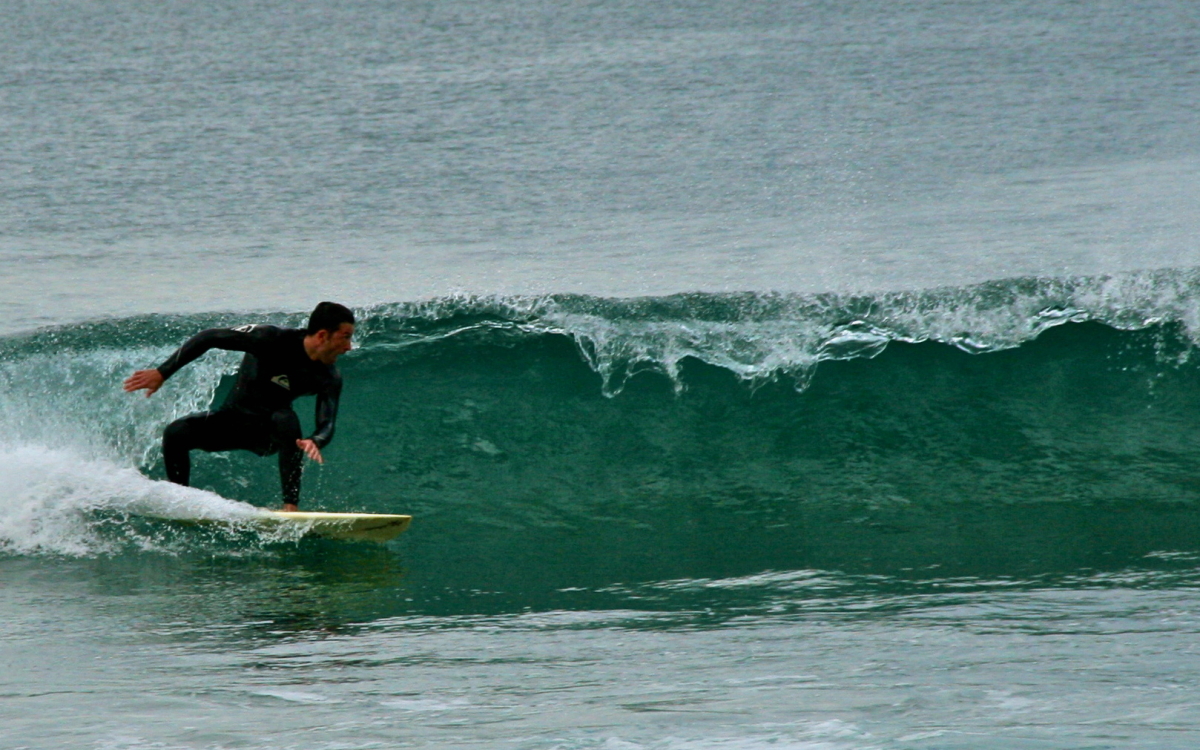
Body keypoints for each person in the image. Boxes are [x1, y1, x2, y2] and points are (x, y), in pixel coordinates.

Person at [123, 301, 355, 511]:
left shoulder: (328, 376)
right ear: (323, 335)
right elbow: (209, 337)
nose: (349, 347)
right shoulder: (270, 339)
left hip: (267, 434)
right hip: (232, 421)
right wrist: (162, 373)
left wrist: (316, 440)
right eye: (345, 337)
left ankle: (290, 506)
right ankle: (180, 500)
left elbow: (327, 422)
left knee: (286, 419)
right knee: (175, 433)